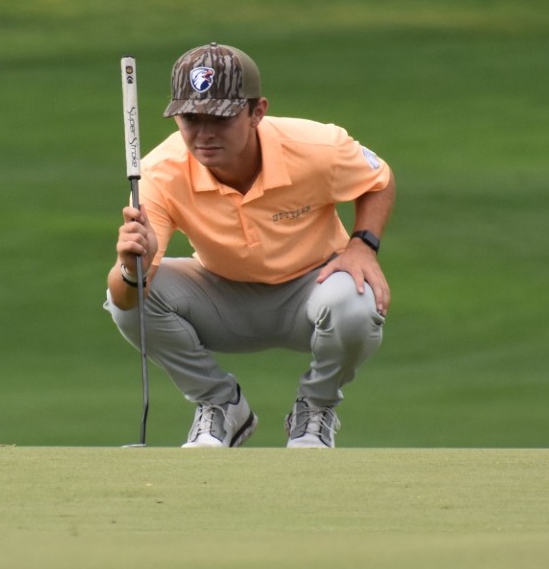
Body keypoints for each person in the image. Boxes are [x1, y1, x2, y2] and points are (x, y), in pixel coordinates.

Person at [106, 42, 395, 448]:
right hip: (221, 295)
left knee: (356, 300)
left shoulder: (318, 147)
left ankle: (315, 411)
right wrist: (130, 266)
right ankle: (221, 405)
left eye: (219, 119)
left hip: (312, 290)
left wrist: (362, 245)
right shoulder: (160, 171)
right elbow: (127, 300)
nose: (203, 134)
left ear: (257, 111)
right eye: (190, 118)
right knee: (125, 303)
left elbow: (378, 180)